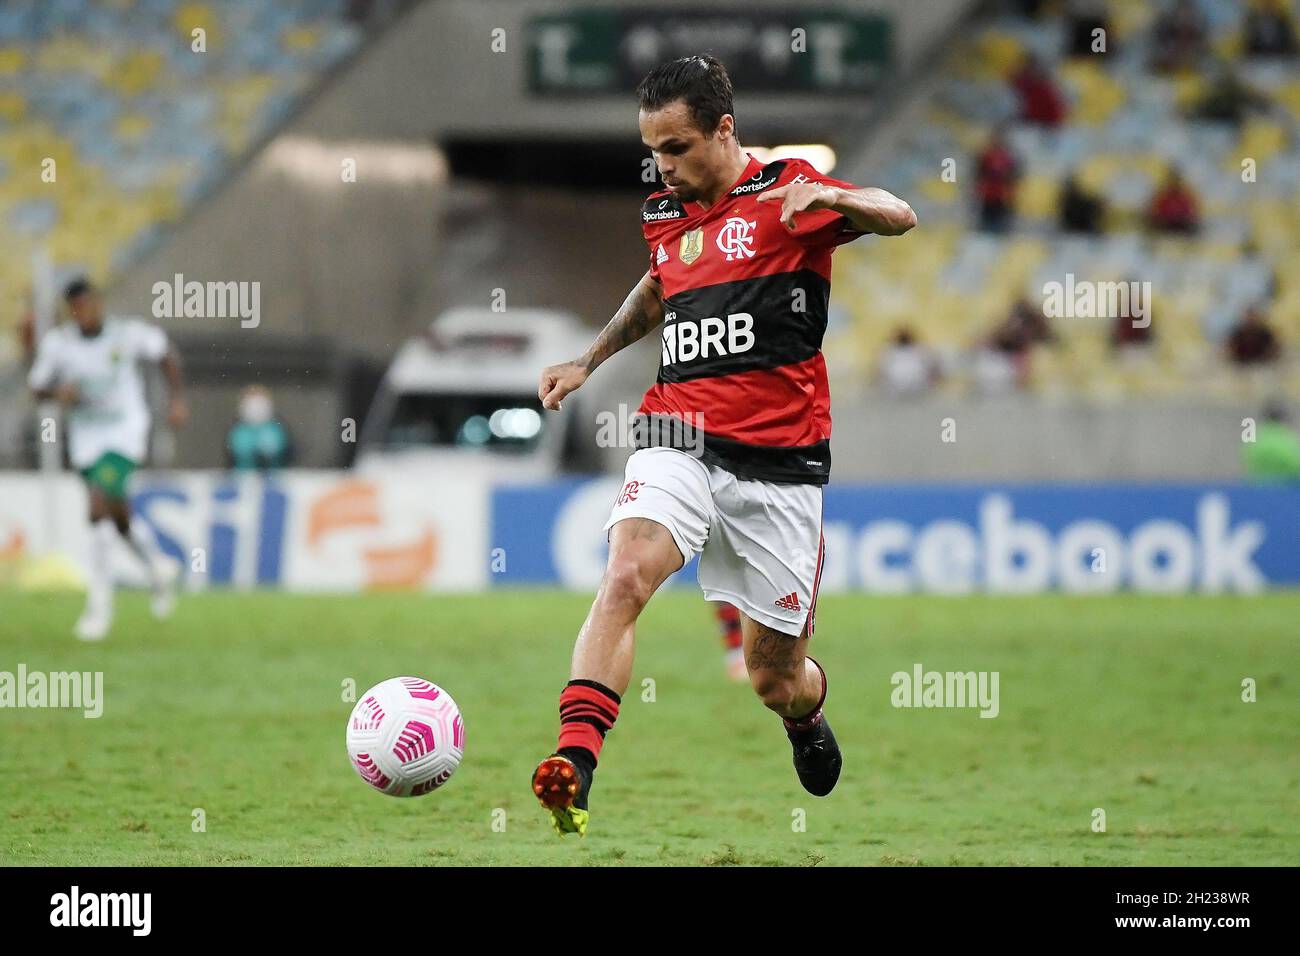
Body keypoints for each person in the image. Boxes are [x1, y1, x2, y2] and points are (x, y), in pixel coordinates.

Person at [530, 55, 915, 836]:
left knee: (774, 678)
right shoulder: (667, 216)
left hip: (780, 464)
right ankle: (575, 760)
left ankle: (804, 716)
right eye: (653, 151)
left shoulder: (788, 195)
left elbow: (898, 214)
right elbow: (657, 290)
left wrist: (837, 197)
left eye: (676, 148)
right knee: (628, 571)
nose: (663, 166)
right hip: (678, 430)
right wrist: (588, 359)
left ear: (724, 129)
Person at [27, 278, 187, 640]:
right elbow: (37, 387)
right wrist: (57, 391)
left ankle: (99, 608)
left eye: (91, 304)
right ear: (71, 312)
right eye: (79, 308)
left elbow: (164, 352)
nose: (87, 312)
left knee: (97, 508)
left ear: (99, 303)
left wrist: (176, 399)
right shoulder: (59, 345)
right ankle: (158, 567)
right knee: (117, 516)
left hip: (125, 432)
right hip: (86, 437)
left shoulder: (126, 335)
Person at [227, 385, 293, 470]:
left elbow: (289, 453)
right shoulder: (236, 430)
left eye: (260, 404)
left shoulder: (278, 428)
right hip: (243, 477)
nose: (256, 409)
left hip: (275, 477)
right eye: (251, 404)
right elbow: (230, 456)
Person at [975, 128, 1021, 233]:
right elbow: (979, 174)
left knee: (1000, 223)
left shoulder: (1009, 157)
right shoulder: (986, 155)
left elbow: (1014, 176)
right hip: (988, 194)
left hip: (1002, 195)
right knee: (985, 222)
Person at [1242, 402, 1300, 482]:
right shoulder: (1287, 440)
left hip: (1259, 487)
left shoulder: (1256, 440)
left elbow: (1248, 461)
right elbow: (1295, 465)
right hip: (1286, 488)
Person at [1147, 165, 1200, 234]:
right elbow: (1155, 210)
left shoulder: (1185, 195)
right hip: (1166, 223)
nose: (1174, 183)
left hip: (1180, 223)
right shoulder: (1162, 194)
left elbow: (1191, 211)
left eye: (1176, 181)